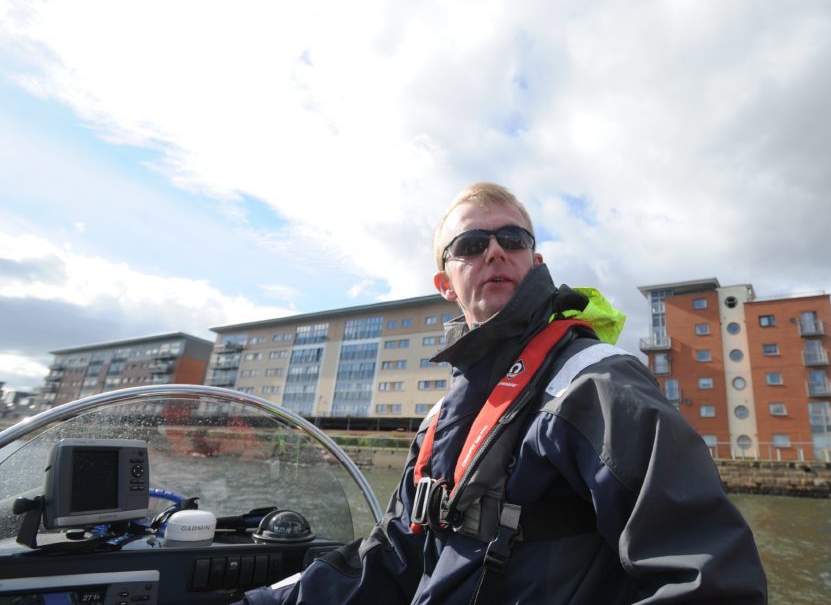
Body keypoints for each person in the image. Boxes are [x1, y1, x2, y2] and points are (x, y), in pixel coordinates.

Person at [240, 182, 767, 604]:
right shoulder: (444, 419)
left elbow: (709, 577)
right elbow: (397, 554)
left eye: (512, 240)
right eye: (471, 245)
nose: (495, 251)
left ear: (535, 262)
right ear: (445, 284)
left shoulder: (595, 385)